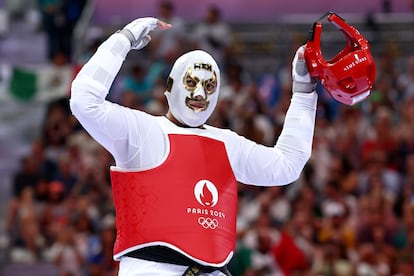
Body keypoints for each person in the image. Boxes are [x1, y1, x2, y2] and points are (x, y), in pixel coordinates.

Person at [70, 17, 318, 275]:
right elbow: (83, 101)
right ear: (169, 87)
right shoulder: (141, 130)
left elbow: (288, 165)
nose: (200, 95)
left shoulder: (227, 143)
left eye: (209, 86)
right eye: (191, 83)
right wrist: (122, 40)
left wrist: (304, 92)